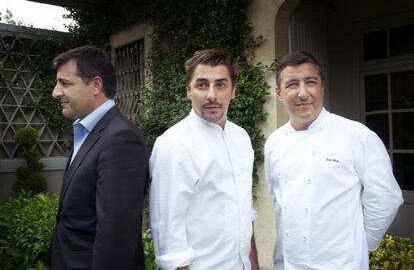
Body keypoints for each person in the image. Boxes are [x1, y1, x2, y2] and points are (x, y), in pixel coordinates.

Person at [265, 51, 404, 270]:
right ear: (279, 93)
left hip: (341, 264)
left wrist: (357, 245)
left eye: (310, 82)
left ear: (322, 88)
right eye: (292, 84)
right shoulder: (273, 142)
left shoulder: (356, 135)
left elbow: (385, 198)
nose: (303, 93)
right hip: (288, 263)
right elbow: (279, 200)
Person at [150, 49, 259, 270]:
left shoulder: (241, 138)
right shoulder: (174, 143)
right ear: (188, 91)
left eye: (220, 84)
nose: (211, 95)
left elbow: (244, 212)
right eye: (202, 85)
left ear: (234, 90)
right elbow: (169, 234)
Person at [49, 46, 149, 270]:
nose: (55, 92)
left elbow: (117, 237)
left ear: (96, 85)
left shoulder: (121, 140)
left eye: (65, 83)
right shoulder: (87, 131)